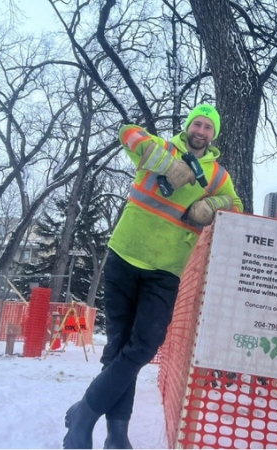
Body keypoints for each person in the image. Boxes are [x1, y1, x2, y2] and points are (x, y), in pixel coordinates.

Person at [63, 104, 243, 449]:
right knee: (118, 347)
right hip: (125, 255)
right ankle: (117, 435)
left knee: (144, 345)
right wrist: (167, 165)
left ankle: (83, 414)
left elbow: (236, 204)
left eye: (208, 127)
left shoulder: (217, 175)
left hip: (166, 269)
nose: (201, 130)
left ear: (213, 135)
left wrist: (212, 205)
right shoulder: (161, 148)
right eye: (197, 123)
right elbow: (127, 132)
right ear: (188, 126)